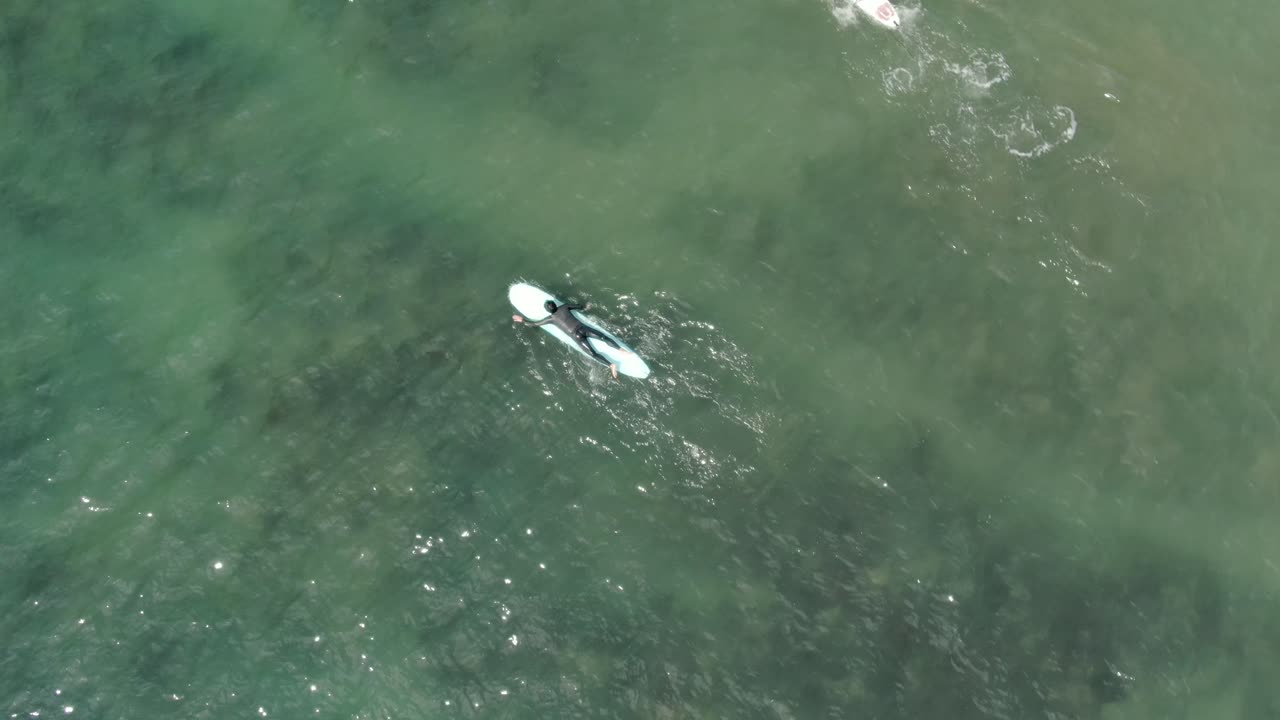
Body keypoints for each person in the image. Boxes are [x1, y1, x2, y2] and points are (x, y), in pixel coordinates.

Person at [513, 300, 630, 379]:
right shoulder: (564, 306)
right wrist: (587, 305)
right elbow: (580, 306)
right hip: (583, 328)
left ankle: (611, 365)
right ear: (555, 305)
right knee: (603, 337)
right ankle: (620, 349)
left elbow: (534, 324)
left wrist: (522, 320)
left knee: (593, 354)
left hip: (576, 336)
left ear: (548, 311)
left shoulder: (550, 319)